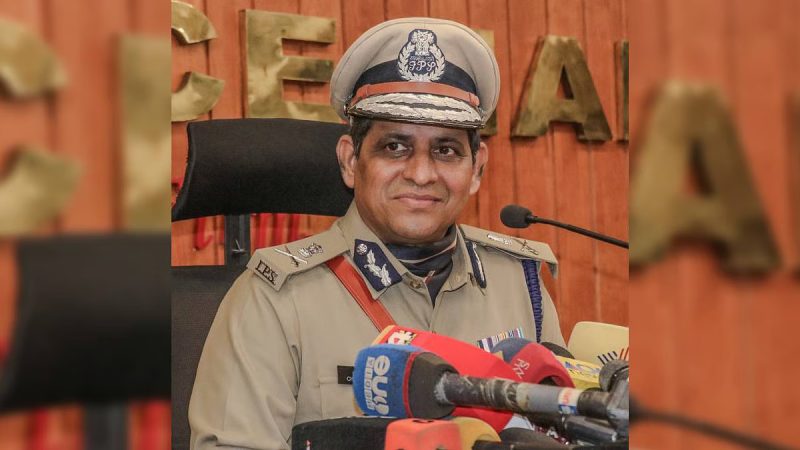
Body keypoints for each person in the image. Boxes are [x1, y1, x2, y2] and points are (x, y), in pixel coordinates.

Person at [189, 17, 565, 449]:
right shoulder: (277, 298)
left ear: (477, 168)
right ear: (351, 161)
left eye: (445, 150)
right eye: (395, 147)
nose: (421, 174)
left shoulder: (519, 281)